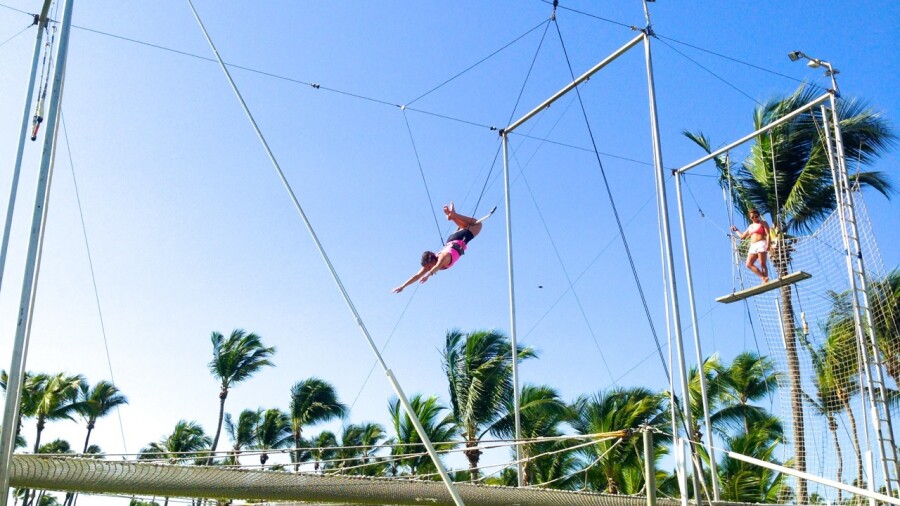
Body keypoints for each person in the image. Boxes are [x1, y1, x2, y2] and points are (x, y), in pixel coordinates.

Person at [393, 202, 484, 293]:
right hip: (452, 240)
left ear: (432, 261)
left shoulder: (443, 257)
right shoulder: (430, 264)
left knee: (478, 224)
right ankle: (453, 217)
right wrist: (402, 286)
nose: (428, 268)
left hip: (459, 239)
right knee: (466, 225)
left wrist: (428, 276)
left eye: (429, 266)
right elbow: (416, 276)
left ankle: (454, 215)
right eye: (428, 267)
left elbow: (437, 266)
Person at [731, 208, 770, 283]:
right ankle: (763, 277)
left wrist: (768, 244)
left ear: (758, 216)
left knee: (762, 263)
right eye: (752, 217)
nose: (755, 218)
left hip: (761, 243)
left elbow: (768, 234)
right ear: (750, 218)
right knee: (748, 264)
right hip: (753, 246)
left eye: (756, 216)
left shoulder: (763, 223)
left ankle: (765, 279)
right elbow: (742, 236)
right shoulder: (750, 226)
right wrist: (736, 230)